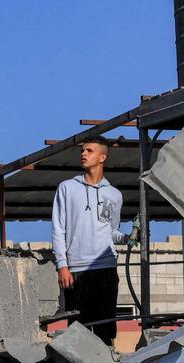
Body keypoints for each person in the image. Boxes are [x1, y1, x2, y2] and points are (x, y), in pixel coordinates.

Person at [51, 137, 130, 346]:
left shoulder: (114, 195)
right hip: (75, 270)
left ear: (102, 157)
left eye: (90, 150)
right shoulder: (66, 188)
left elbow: (112, 231)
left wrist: (127, 238)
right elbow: (58, 228)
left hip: (106, 267)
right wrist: (62, 265)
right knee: (78, 331)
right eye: (82, 150)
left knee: (106, 329)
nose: (83, 154)